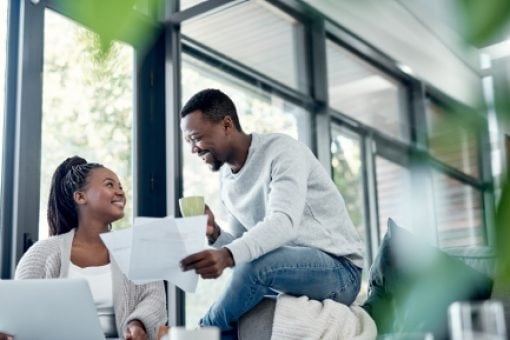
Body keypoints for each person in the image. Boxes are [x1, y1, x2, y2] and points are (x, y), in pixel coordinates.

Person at [179, 89, 364, 334]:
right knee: (251, 273)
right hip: (291, 270)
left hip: (341, 270)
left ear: (226, 125)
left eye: (197, 138)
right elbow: (244, 247)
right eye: (189, 142)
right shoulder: (227, 180)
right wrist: (215, 234)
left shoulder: (283, 151)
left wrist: (226, 255)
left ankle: (201, 332)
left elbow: (283, 222)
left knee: (257, 266)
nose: (193, 149)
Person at [15, 156, 167, 340]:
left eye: (120, 186)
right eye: (110, 185)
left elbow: (154, 299)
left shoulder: (137, 251)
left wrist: (138, 323)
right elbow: (21, 311)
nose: (120, 193)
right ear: (80, 197)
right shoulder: (42, 254)